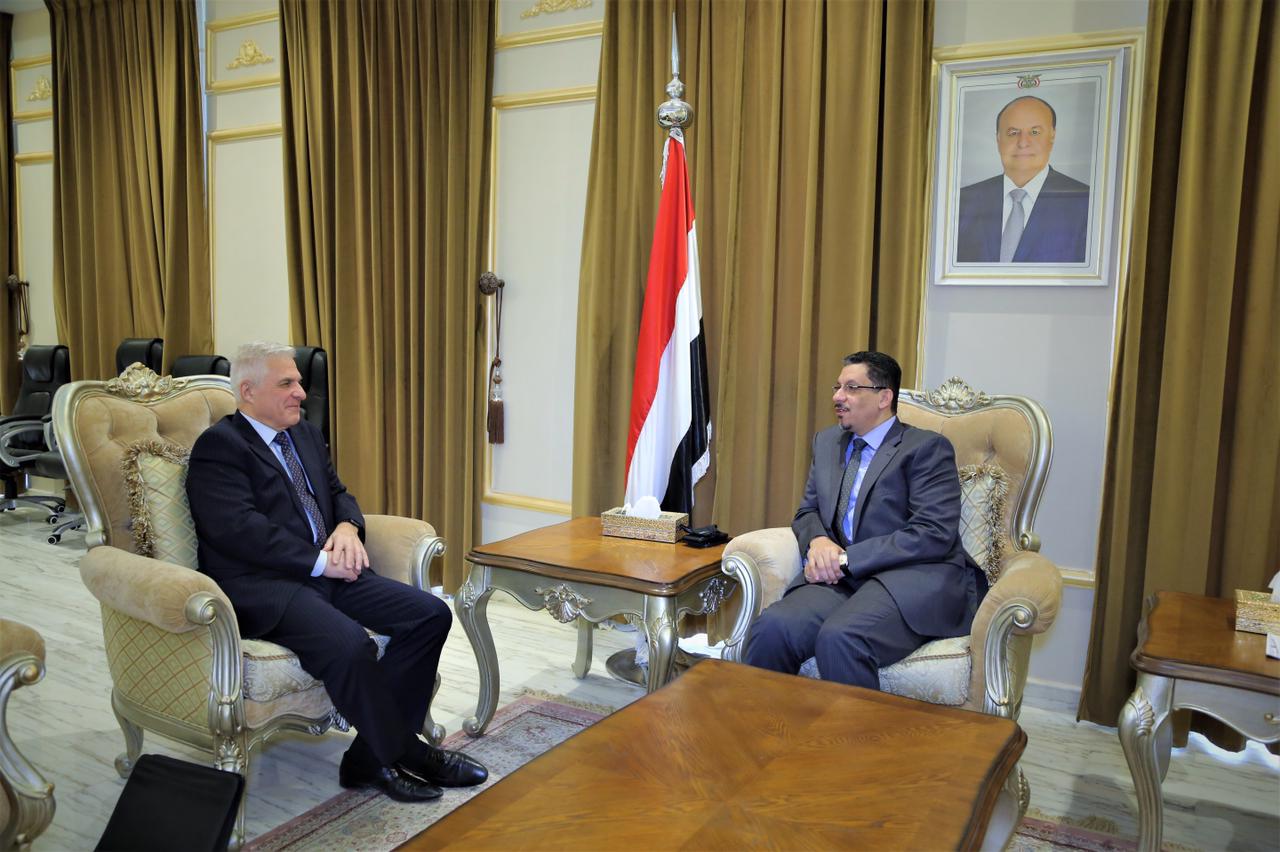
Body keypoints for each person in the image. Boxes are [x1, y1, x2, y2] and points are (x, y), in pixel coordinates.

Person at [185, 341, 487, 802]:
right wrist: (324, 562)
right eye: (287, 383)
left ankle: (368, 758)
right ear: (248, 391)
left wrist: (347, 526)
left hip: (328, 572)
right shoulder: (220, 447)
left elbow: (338, 492)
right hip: (267, 586)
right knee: (350, 645)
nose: (300, 392)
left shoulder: (304, 433)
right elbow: (240, 531)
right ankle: (408, 752)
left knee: (429, 614)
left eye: (298, 381)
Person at [743, 351, 988, 689]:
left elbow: (933, 533)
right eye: (838, 387)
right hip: (842, 581)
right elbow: (807, 511)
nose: (838, 397)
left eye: (852, 388)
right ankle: (769, 723)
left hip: (908, 579)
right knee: (773, 628)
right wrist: (819, 541)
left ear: (884, 397)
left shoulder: (926, 448)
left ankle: (859, 728)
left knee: (842, 638)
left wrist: (845, 559)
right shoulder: (827, 442)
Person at [955, 95, 1089, 264]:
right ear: (998, 139)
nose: (1023, 142)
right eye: (1013, 133)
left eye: (1035, 132)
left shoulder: (1085, 203)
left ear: (1052, 136)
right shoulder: (962, 202)